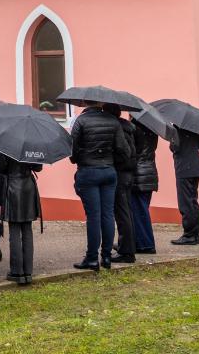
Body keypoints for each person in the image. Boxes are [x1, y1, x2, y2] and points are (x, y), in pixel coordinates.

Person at [70, 102, 130, 271]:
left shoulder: (81, 121)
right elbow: (123, 149)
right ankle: (106, 256)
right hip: (109, 171)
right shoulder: (113, 121)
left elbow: (72, 150)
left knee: (94, 216)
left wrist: (80, 158)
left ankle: (91, 258)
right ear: (100, 103)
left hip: (88, 171)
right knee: (108, 214)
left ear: (85, 103)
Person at [0, 153, 41, 285]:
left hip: (13, 187)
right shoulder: (33, 145)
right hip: (28, 186)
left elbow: (1, 167)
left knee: (15, 229)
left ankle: (17, 271)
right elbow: (38, 167)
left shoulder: (6, 145)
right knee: (27, 229)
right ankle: (28, 271)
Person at [108, 106, 139, 263]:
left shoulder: (118, 128)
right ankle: (126, 245)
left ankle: (126, 252)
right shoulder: (128, 127)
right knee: (126, 212)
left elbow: (124, 153)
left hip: (121, 173)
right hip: (128, 174)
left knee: (122, 214)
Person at [129, 119, 160, 255]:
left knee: (139, 211)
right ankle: (138, 242)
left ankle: (146, 245)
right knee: (141, 210)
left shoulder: (135, 129)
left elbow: (131, 151)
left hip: (139, 174)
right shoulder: (153, 129)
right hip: (149, 173)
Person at [170, 128, 199, 245]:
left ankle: (189, 235)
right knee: (193, 202)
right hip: (195, 168)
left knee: (185, 204)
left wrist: (171, 139)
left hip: (184, 169)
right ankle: (195, 234)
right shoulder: (194, 128)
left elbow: (175, 147)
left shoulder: (175, 129)